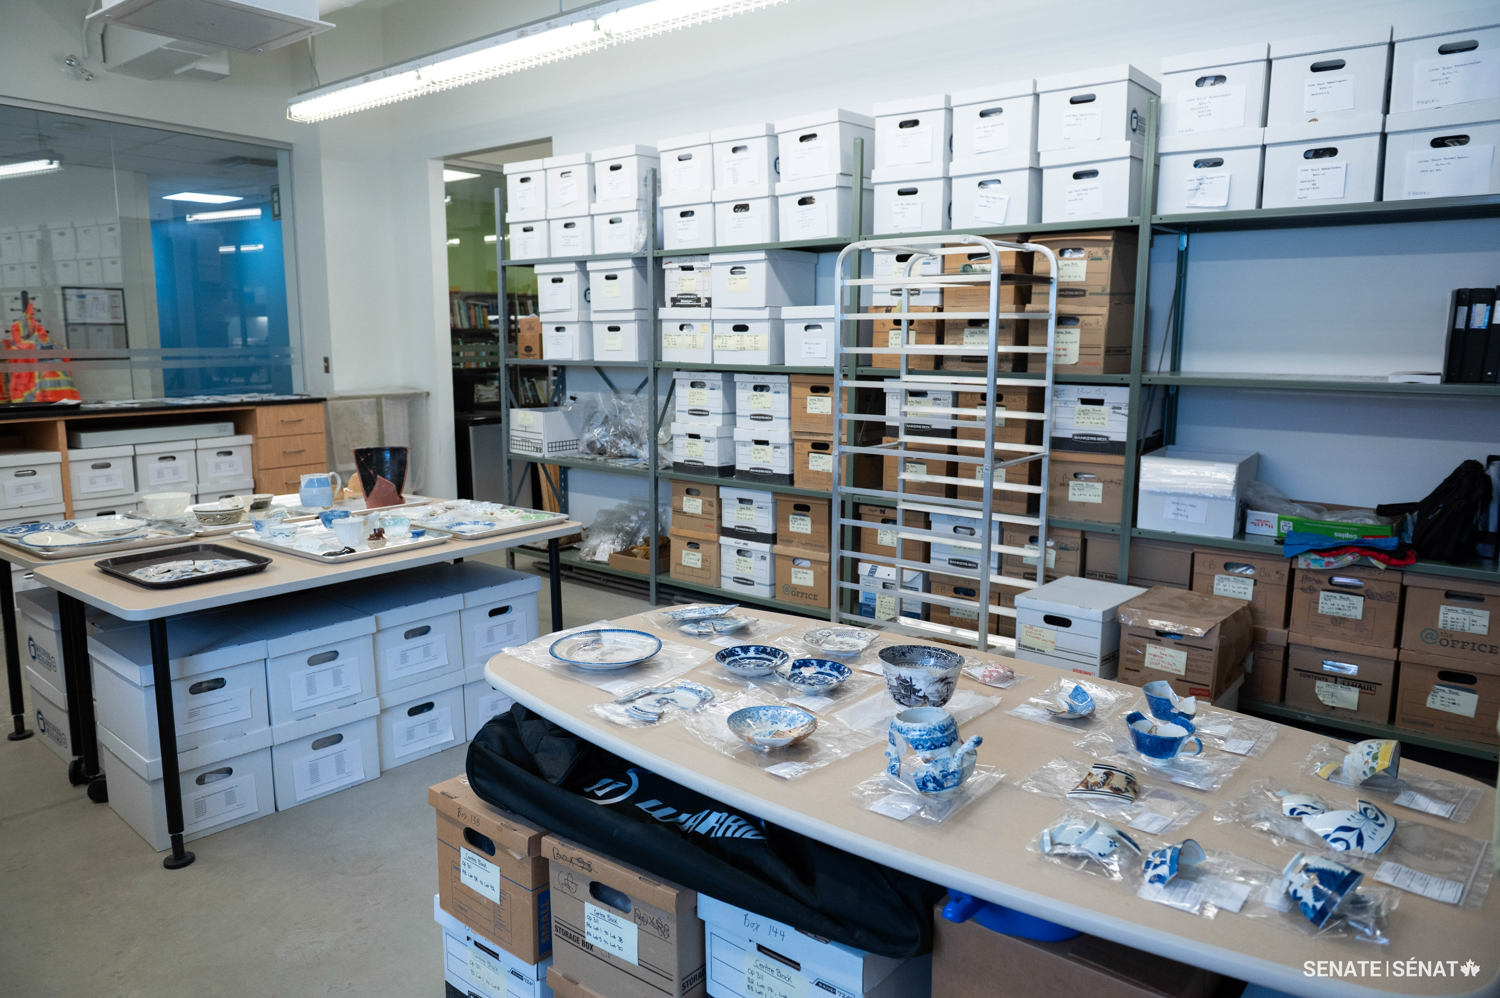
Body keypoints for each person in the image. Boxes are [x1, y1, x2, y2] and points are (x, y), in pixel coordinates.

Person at [5, 291, 80, 403]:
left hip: (41, 401)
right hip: (67, 399)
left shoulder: (21, 349)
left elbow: (17, 377)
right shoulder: (56, 346)